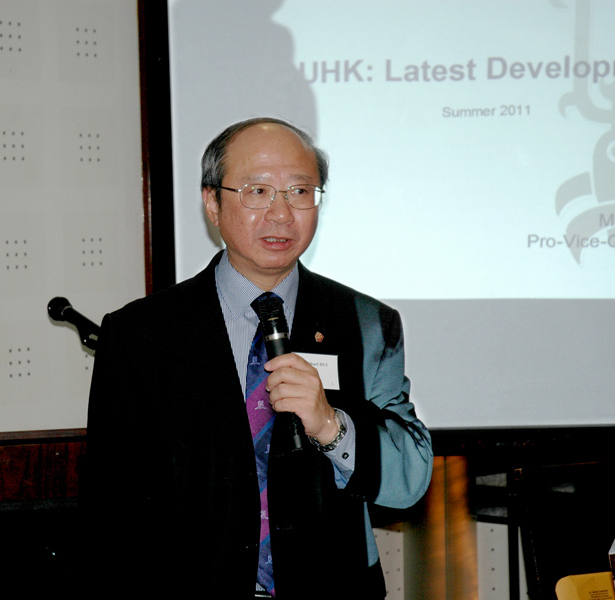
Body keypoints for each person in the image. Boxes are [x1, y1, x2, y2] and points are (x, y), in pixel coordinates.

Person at [84, 117, 433, 599]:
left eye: (300, 191)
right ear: (212, 202)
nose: (281, 213)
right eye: (258, 191)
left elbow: (410, 479)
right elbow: (111, 508)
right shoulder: (141, 333)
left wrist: (332, 426)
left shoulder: (367, 322)